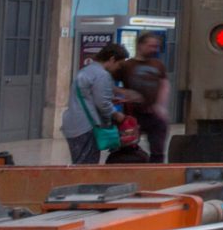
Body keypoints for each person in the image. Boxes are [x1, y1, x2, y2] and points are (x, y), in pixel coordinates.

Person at [61, 44, 130, 165]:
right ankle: (83, 185)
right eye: (119, 64)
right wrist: (116, 114)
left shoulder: (86, 70)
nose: (118, 68)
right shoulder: (102, 75)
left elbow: (88, 96)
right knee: (87, 167)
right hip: (86, 126)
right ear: (112, 59)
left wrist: (110, 100)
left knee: (79, 163)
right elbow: (102, 103)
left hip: (73, 124)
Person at [121, 32, 172, 163]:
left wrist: (161, 105)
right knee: (128, 147)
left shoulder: (158, 65)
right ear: (140, 45)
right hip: (134, 114)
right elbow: (111, 85)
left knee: (158, 149)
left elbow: (164, 84)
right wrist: (126, 92)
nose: (154, 50)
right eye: (151, 46)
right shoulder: (127, 65)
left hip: (154, 114)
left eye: (156, 47)